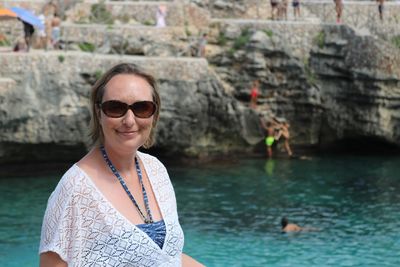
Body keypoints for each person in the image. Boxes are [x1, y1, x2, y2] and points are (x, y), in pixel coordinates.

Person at [39, 63, 204, 266]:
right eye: (115, 108)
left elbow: (168, 258)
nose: (129, 120)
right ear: (99, 113)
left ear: (154, 114)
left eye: (142, 108)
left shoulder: (156, 170)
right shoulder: (75, 189)